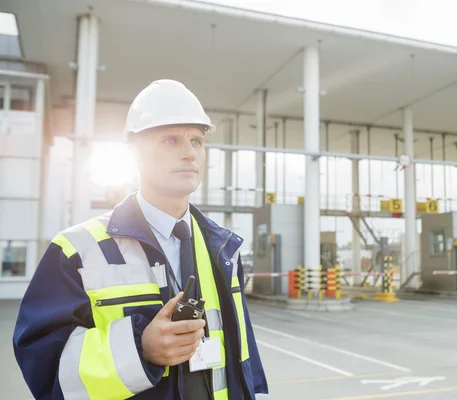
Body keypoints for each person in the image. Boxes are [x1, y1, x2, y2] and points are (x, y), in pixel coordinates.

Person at [13, 79, 269, 399]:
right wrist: (140, 350)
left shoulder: (224, 249)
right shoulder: (77, 250)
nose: (189, 153)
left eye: (197, 141)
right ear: (134, 152)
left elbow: (244, 352)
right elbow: (43, 365)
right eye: (171, 141)